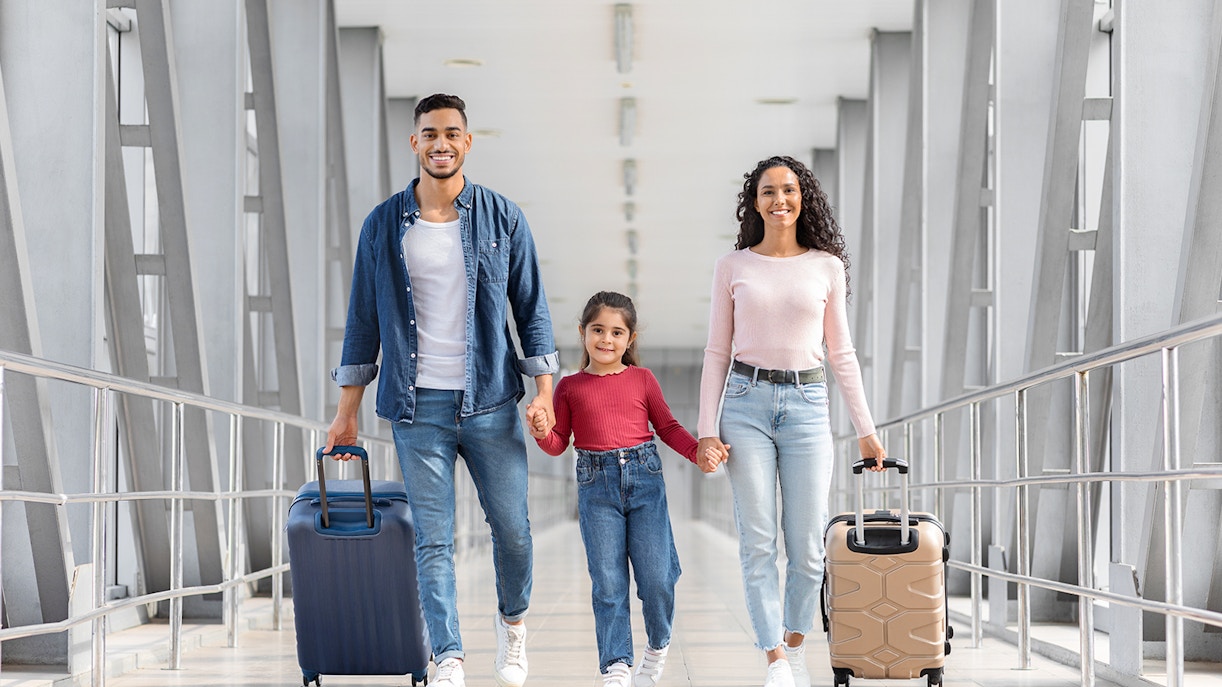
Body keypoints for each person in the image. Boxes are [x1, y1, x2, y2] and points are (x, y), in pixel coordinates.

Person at [324, 93, 558, 687]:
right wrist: (345, 413)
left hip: (492, 401)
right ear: (415, 144)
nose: (441, 143)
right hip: (416, 404)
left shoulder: (503, 218)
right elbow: (363, 322)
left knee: (512, 531)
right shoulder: (383, 223)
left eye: (451, 133)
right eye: (429, 134)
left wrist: (545, 392)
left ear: (467, 142)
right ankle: (447, 655)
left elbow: (531, 310)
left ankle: (514, 628)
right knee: (432, 540)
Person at [695, 156, 887, 687]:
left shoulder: (827, 265)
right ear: (754, 202)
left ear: (804, 198)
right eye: (768, 192)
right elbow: (716, 351)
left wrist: (866, 429)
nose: (780, 200)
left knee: (805, 548)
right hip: (745, 402)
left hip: (807, 406)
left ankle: (796, 640)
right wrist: (706, 428)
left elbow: (841, 353)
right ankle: (775, 657)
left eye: (789, 190)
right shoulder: (732, 266)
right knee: (758, 542)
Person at [526, 291, 721, 687]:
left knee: (656, 579)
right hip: (596, 487)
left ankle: (658, 644)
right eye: (598, 330)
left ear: (630, 339)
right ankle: (615, 664)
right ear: (583, 332)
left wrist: (698, 451)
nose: (606, 340)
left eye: (617, 333)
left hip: (644, 478)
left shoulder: (643, 380)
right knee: (609, 583)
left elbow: (667, 428)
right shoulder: (569, 387)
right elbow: (559, 442)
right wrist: (542, 431)